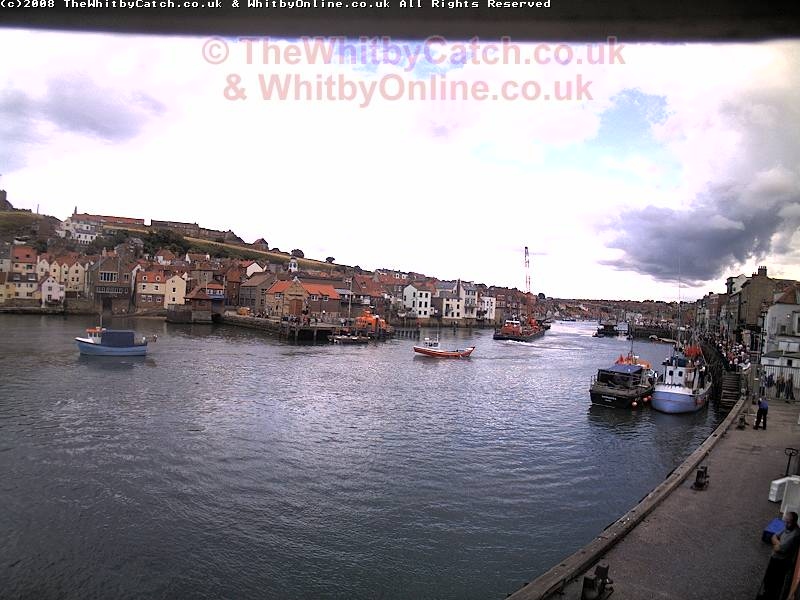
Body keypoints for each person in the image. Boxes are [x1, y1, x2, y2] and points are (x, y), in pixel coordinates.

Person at [759, 511, 800, 600]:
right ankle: (766, 592)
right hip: (776, 558)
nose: (785, 524)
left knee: (775, 583)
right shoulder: (787, 526)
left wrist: (777, 544)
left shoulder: (794, 535)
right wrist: (779, 543)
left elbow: (777, 548)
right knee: (768, 578)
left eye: (788, 522)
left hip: (781, 562)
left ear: (794, 522)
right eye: (785, 521)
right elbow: (774, 536)